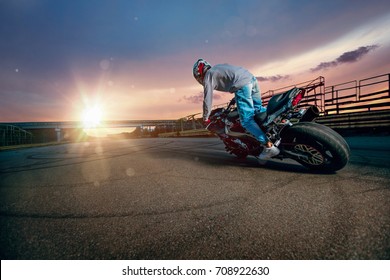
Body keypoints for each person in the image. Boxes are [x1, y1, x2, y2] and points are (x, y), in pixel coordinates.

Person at [192, 58, 279, 159]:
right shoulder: (218, 67)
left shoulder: (208, 76)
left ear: (199, 74)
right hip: (251, 79)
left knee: (246, 120)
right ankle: (277, 125)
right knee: (258, 109)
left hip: (242, 85)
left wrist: (205, 118)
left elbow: (207, 100)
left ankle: (268, 146)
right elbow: (232, 76)